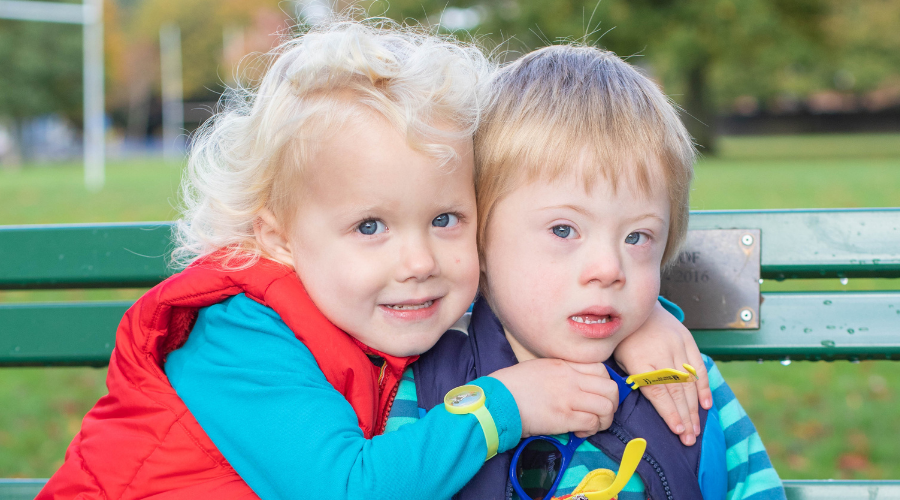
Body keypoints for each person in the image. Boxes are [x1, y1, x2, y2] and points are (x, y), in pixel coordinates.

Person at [40, 21, 708, 500]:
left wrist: (643, 323)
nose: (418, 260)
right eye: (369, 226)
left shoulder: (385, 299)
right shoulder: (239, 338)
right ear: (277, 237)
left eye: (445, 220)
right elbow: (345, 488)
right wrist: (502, 405)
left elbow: (534, 287)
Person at [412, 45, 787, 500]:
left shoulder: (686, 387)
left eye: (637, 238)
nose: (609, 269)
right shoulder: (428, 389)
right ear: (480, 242)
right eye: (564, 229)